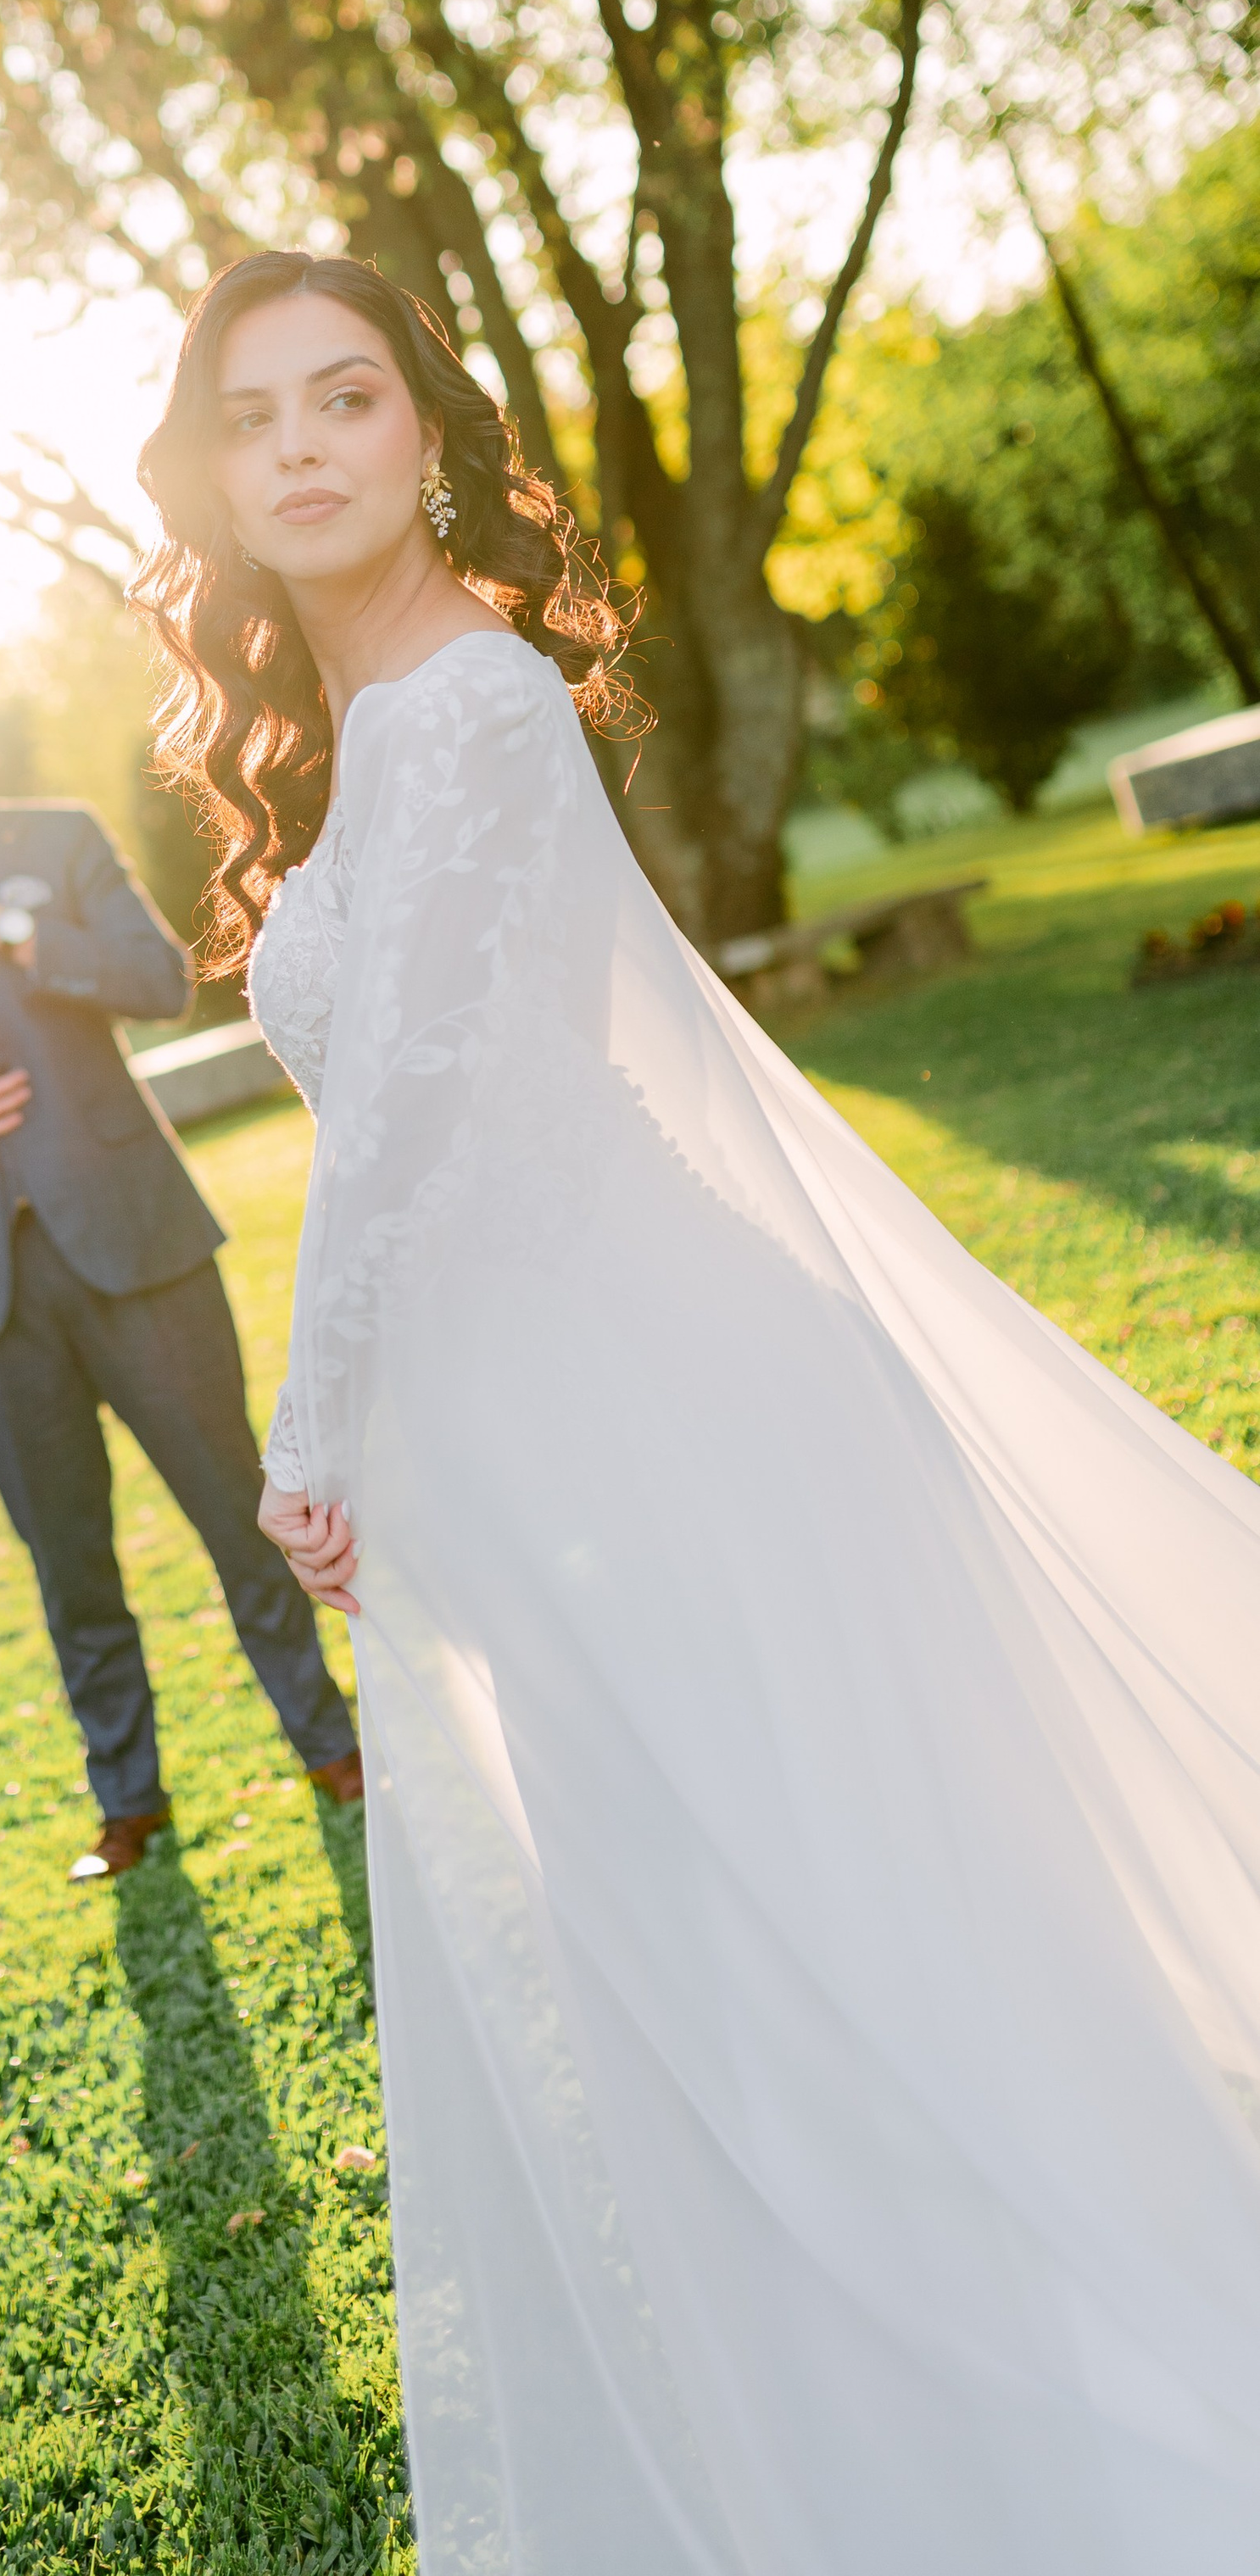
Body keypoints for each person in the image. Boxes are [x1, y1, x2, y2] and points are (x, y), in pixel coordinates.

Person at [133, 250, 1260, 2574]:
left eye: (347, 396)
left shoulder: (468, 704)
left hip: (649, 1409)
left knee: (805, 1961)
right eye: (253, 418)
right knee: (698, 1972)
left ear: (427, 434)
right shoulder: (364, 737)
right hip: (531, 1437)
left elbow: (410, 1109)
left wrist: (306, 1432)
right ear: (212, 480)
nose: (305, 447)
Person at [0, 645, 361, 1883]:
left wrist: (15, 929)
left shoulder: (54, 838)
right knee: (68, 1561)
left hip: (133, 1243)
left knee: (235, 1507)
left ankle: (328, 1742)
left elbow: (161, 978)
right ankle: (128, 1802)